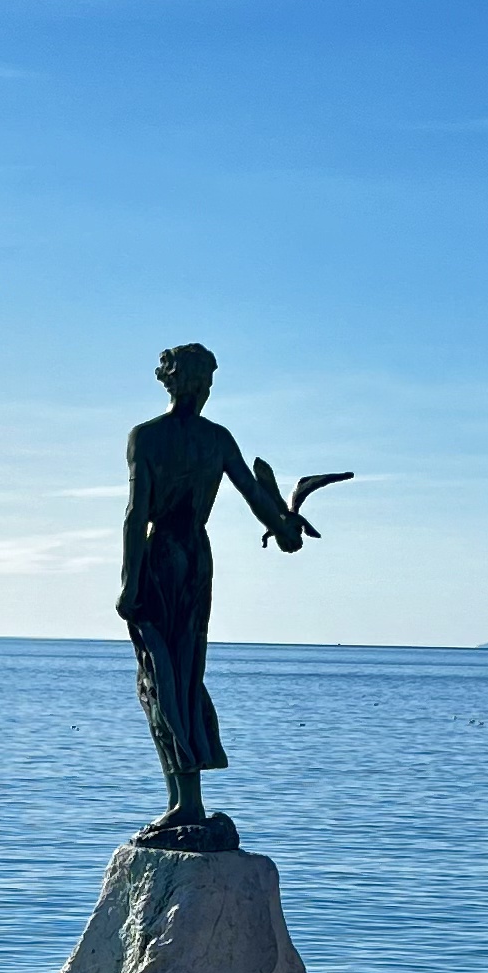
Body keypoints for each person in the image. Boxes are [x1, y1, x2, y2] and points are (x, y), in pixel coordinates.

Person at [117, 342, 306, 843]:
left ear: (169, 380)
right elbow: (256, 497)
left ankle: (183, 802)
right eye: (203, 380)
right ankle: (188, 800)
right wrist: (285, 528)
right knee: (184, 673)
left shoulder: (147, 437)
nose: (204, 389)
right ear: (188, 382)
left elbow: (138, 516)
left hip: (163, 560)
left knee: (161, 679)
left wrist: (128, 583)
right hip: (197, 558)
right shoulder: (216, 439)